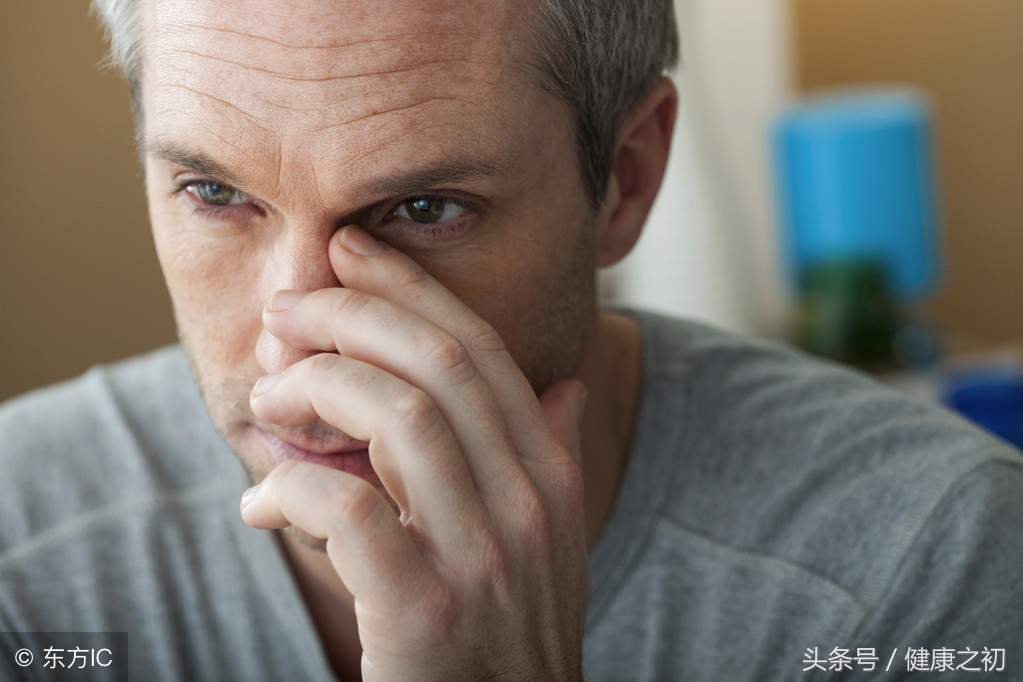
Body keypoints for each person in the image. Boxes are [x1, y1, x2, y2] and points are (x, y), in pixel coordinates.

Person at [1, 0, 1021, 680]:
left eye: (425, 208)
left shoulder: (921, 567)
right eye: (216, 193)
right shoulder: (22, 561)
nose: (295, 344)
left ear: (624, 178)